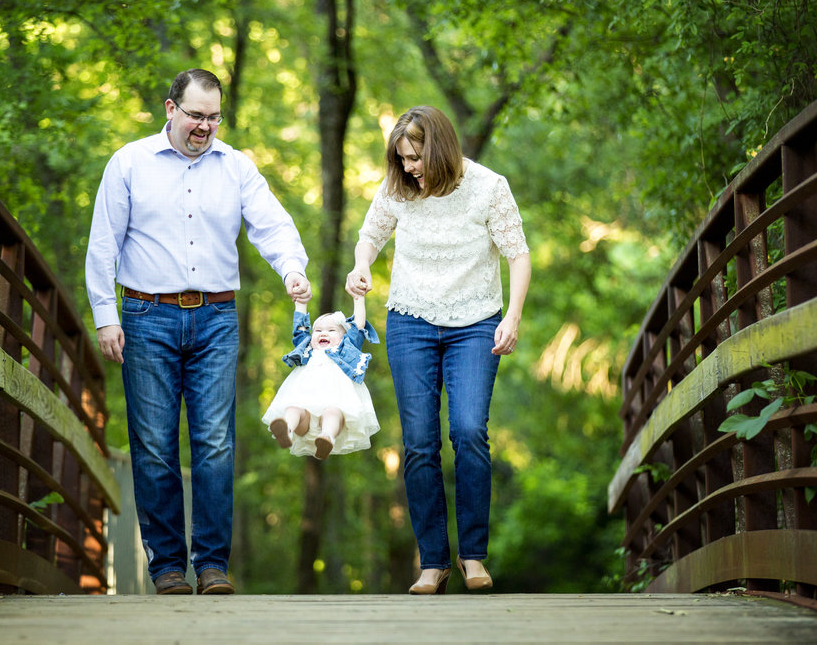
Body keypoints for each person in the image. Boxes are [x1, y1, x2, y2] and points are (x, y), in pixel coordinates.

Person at [85, 68, 311, 595]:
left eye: (214, 117)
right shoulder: (129, 164)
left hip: (216, 318)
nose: (206, 127)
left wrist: (292, 268)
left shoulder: (236, 167)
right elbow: (103, 244)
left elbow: (272, 224)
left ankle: (212, 566)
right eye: (196, 116)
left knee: (214, 444)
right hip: (146, 316)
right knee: (155, 445)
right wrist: (105, 314)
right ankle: (166, 568)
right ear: (170, 109)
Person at [345, 105, 531, 595]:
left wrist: (512, 316)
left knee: (468, 431)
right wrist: (361, 265)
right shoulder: (398, 189)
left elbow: (518, 253)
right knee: (420, 443)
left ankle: (472, 556)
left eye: (416, 157)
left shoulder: (489, 187)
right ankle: (434, 562)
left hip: (476, 323)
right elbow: (369, 238)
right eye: (402, 158)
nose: (409, 167)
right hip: (410, 322)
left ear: (442, 149)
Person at [262, 294, 380, 460]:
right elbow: (300, 329)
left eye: (331, 330)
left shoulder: (344, 351)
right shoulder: (308, 351)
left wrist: (358, 298)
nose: (323, 333)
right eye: (318, 330)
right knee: (293, 408)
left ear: (344, 338)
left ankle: (326, 437)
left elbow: (358, 326)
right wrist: (301, 303)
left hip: (334, 402)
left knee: (332, 412)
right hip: (306, 408)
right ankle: (286, 429)